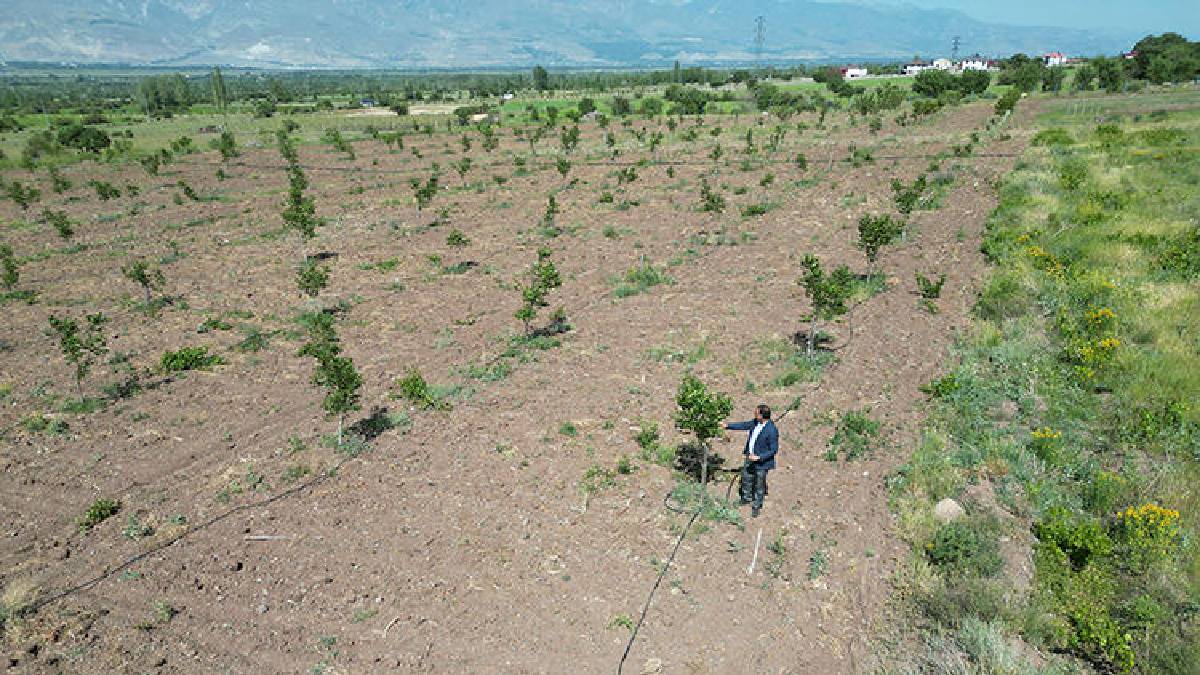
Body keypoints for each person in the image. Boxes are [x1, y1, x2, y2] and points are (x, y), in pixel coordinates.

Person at [721, 404, 778, 517]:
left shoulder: (771, 430)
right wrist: (728, 425)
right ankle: (746, 498)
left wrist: (759, 457)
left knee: (759, 484)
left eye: (756, 413)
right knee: (746, 478)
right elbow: (744, 425)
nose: (754, 414)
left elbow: (773, 450)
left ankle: (756, 505)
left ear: (762, 415)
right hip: (750, 458)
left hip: (761, 463)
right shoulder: (755, 423)